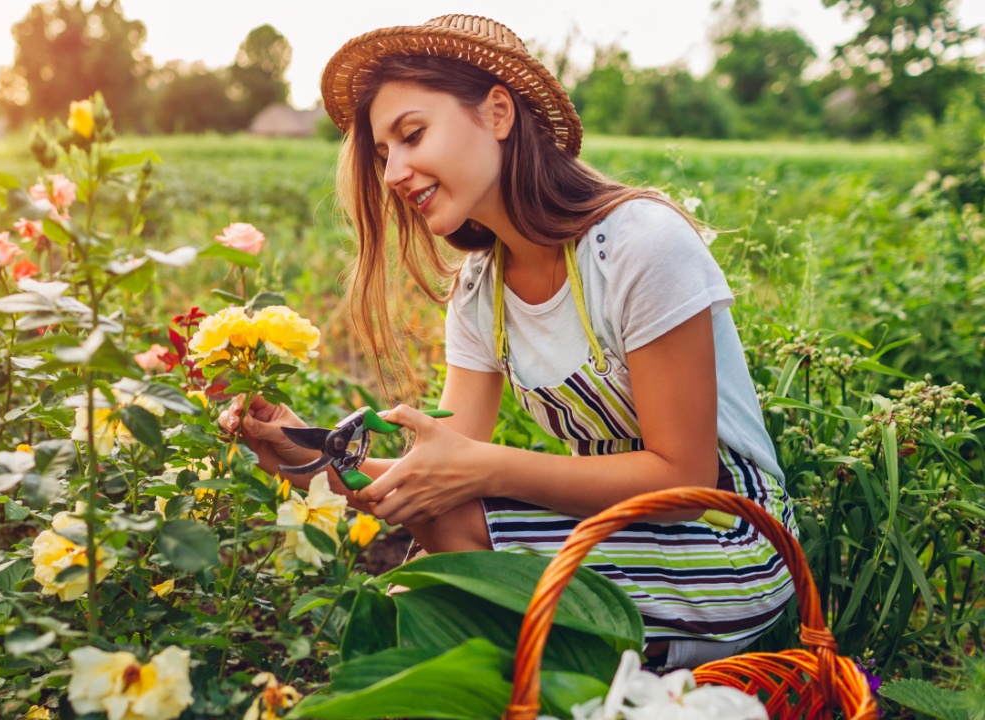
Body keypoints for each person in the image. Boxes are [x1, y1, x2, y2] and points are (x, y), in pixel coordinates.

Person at [218, 14, 795, 670]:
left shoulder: (640, 246)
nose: (394, 173)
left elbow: (684, 474)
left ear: (497, 113)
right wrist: (308, 452)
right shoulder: (481, 289)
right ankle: (587, 680)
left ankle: (570, 677)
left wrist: (486, 467)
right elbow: (433, 480)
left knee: (449, 559)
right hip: (622, 528)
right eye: (384, 156)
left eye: (412, 135)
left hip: (728, 536)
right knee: (441, 526)